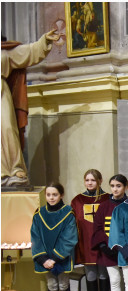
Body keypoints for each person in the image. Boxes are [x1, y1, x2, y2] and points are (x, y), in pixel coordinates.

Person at [2, 30, 59, 187]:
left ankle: (14, 170)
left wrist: (44, 42)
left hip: (1, 94)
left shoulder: (5, 52)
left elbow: (28, 52)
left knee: (7, 130)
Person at [31, 182, 78, 291]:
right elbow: (35, 236)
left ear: (61, 195)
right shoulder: (39, 214)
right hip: (45, 259)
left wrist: (55, 258)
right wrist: (43, 259)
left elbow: (69, 237)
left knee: (63, 285)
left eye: (55, 195)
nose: (51, 198)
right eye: (49, 195)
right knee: (51, 285)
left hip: (61, 257)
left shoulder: (68, 213)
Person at [71, 169, 111, 291]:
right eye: (87, 180)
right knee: (91, 274)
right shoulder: (77, 201)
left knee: (103, 273)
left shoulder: (108, 198)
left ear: (100, 181)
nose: (89, 183)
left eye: (93, 180)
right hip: (86, 243)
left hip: (103, 243)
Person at [91, 174, 128, 291]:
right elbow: (98, 228)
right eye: (112, 186)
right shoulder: (104, 206)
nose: (115, 189)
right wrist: (103, 246)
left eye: (118, 186)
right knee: (114, 280)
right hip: (109, 250)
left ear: (124, 187)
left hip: (126, 250)